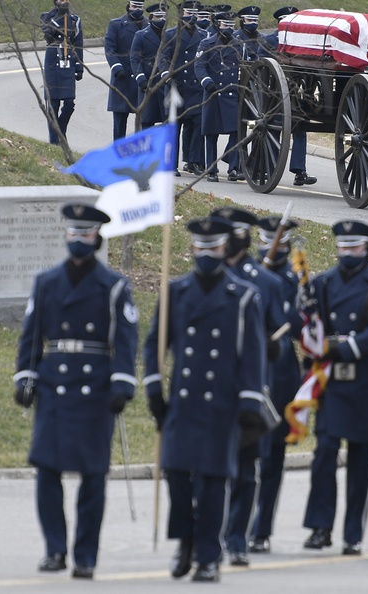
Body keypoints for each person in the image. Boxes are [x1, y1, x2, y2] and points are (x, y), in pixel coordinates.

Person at [13, 204, 138, 579]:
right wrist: (25, 375)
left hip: (95, 387)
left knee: (92, 474)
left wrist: (121, 383)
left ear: (97, 238)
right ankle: (54, 549)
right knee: (47, 468)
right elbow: (31, 334)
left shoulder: (114, 286)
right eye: (73, 232)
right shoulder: (47, 281)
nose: (78, 240)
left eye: (85, 234)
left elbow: (126, 341)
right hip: (55, 384)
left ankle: (85, 555)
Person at [143, 217, 268, 583]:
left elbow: (253, 354)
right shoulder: (175, 292)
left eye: (214, 247)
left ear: (225, 248)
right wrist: (153, 387)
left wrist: (250, 401)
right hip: (183, 403)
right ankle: (186, 541)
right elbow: (154, 344)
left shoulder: (243, 296)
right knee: (177, 476)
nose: (207, 254)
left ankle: (209, 556)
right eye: (200, 247)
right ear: (191, 248)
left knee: (214, 483)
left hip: (222, 405)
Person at [302, 221, 368, 555]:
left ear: (366, 248)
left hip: (366, 383)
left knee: (360, 464)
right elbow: (312, 326)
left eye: (353, 247)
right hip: (332, 383)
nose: (346, 254)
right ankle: (320, 527)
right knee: (324, 453)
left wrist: (342, 347)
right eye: (342, 248)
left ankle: (353, 533)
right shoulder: (322, 283)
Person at [210, 207, 287, 568]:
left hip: (251, 387)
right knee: (208, 468)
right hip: (211, 387)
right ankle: (209, 535)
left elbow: (281, 333)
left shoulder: (267, 282)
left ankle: (238, 538)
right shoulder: (205, 277)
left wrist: (274, 345)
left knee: (244, 469)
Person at [248, 214, 305, 555]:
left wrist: (303, 299)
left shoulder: (296, 279)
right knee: (238, 457)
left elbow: (301, 329)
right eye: (267, 240)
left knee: (272, 460)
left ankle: (261, 529)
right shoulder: (244, 273)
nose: (272, 246)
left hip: (281, 376)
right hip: (245, 374)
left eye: (278, 242)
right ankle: (231, 525)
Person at [265, 5, 317, 186]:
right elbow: (259, 68)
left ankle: (299, 171)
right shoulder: (268, 42)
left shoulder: (302, 43)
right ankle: (269, 169)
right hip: (272, 95)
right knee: (273, 130)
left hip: (295, 94)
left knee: (300, 128)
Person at [195, 8, 243, 182]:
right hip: (213, 93)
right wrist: (207, 82)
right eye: (225, 25)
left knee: (237, 131)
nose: (228, 29)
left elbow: (243, 67)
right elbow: (199, 66)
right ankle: (211, 168)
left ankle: (233, 167)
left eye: (231, 25)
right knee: (211, 132)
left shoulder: (238, 44)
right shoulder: (206, 44)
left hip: (231, 93)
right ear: (217, 25)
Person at [159, 0, 206, 175]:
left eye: (194, 13)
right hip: (176, 86)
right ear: (180, 14)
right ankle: (171, 164)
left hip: (196, 87)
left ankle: (194, 161)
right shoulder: (171, 35)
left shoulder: (203, 35)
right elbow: (163, 58)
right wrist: (165, 74)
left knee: (197, 125)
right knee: (174, 127)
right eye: (187, 13)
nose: (191, 17)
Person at [40, 0, 84, 145]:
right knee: (53, 105)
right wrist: (61, 16)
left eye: (66, 0)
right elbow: (48, 31)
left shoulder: (75, 20)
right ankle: (54, 141)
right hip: (52, 60)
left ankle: (61, 130)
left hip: (68, 60)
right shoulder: (47, 16)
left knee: (69, 103)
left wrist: (79, 66)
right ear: (55, 0)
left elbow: (78, 44)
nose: (64, 2)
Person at [104, 0, 148, 141]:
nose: (137, 9)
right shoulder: (116, 25)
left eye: (140, 7)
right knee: (119, 123)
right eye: (134, 6)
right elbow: (110, 49)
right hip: (123, 79)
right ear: (129, 6)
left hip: (142, 80)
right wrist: (117, 68)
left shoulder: (149, 26)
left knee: (144, 122)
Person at [130, 2, 169, 130]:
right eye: (158, 17)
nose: (161, 20)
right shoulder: (141, 35)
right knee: (146, 121)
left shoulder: (170, 36)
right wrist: (141, 79)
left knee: (167, 122)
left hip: (165, 84)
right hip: (148, 84)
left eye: (163, 16)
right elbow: (135, 59)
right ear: (151, 17)